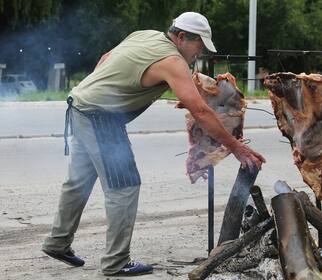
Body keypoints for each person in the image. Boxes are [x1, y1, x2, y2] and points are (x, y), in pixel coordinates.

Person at [42, 11, 266, 276]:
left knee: (79, 180)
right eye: (199, 46)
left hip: (80, 105)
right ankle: (116, 263)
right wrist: (237, 147)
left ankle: (57, 242)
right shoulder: (172, 61)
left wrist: (101, 89)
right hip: (101, 118)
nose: (201, 52)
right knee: (125, 186)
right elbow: (201, 111)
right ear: (181, 37)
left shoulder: (145, 35)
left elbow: (105, 59)